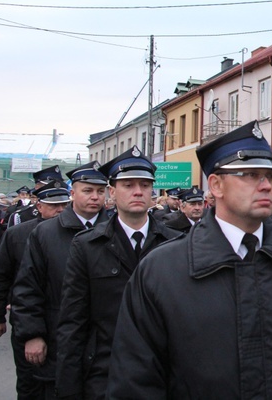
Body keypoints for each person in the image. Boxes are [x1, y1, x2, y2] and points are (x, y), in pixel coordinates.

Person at [107, 122, 272, 399]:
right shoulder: (161, 270)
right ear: (216, 185)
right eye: (251, 174)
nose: (266, 185)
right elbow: (135, 381)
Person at [55, 146, 181, 400]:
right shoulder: (87, 245)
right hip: (105, 371)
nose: (138, 191)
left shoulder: (176, 244)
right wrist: (68, 389)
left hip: (164, 373)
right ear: (112, 192)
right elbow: (73, 322)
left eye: (145, 185)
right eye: (128, 184)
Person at [11, 163, 108, 397]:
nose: (95, 197)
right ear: (72, 193)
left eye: (100, 191)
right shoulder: (45, 233)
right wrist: (33, 334)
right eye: (87, 191)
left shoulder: (115, 230)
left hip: (106, 343)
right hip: (57, 338)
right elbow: (28, 288)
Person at [0, 180, 71, 399]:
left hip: (63, 321)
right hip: (26, 318)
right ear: (39, 206)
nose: (59, 210)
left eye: (64, 205)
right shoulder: (18, 234)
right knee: (30, 383)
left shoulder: (76, 234)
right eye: (53, 205)